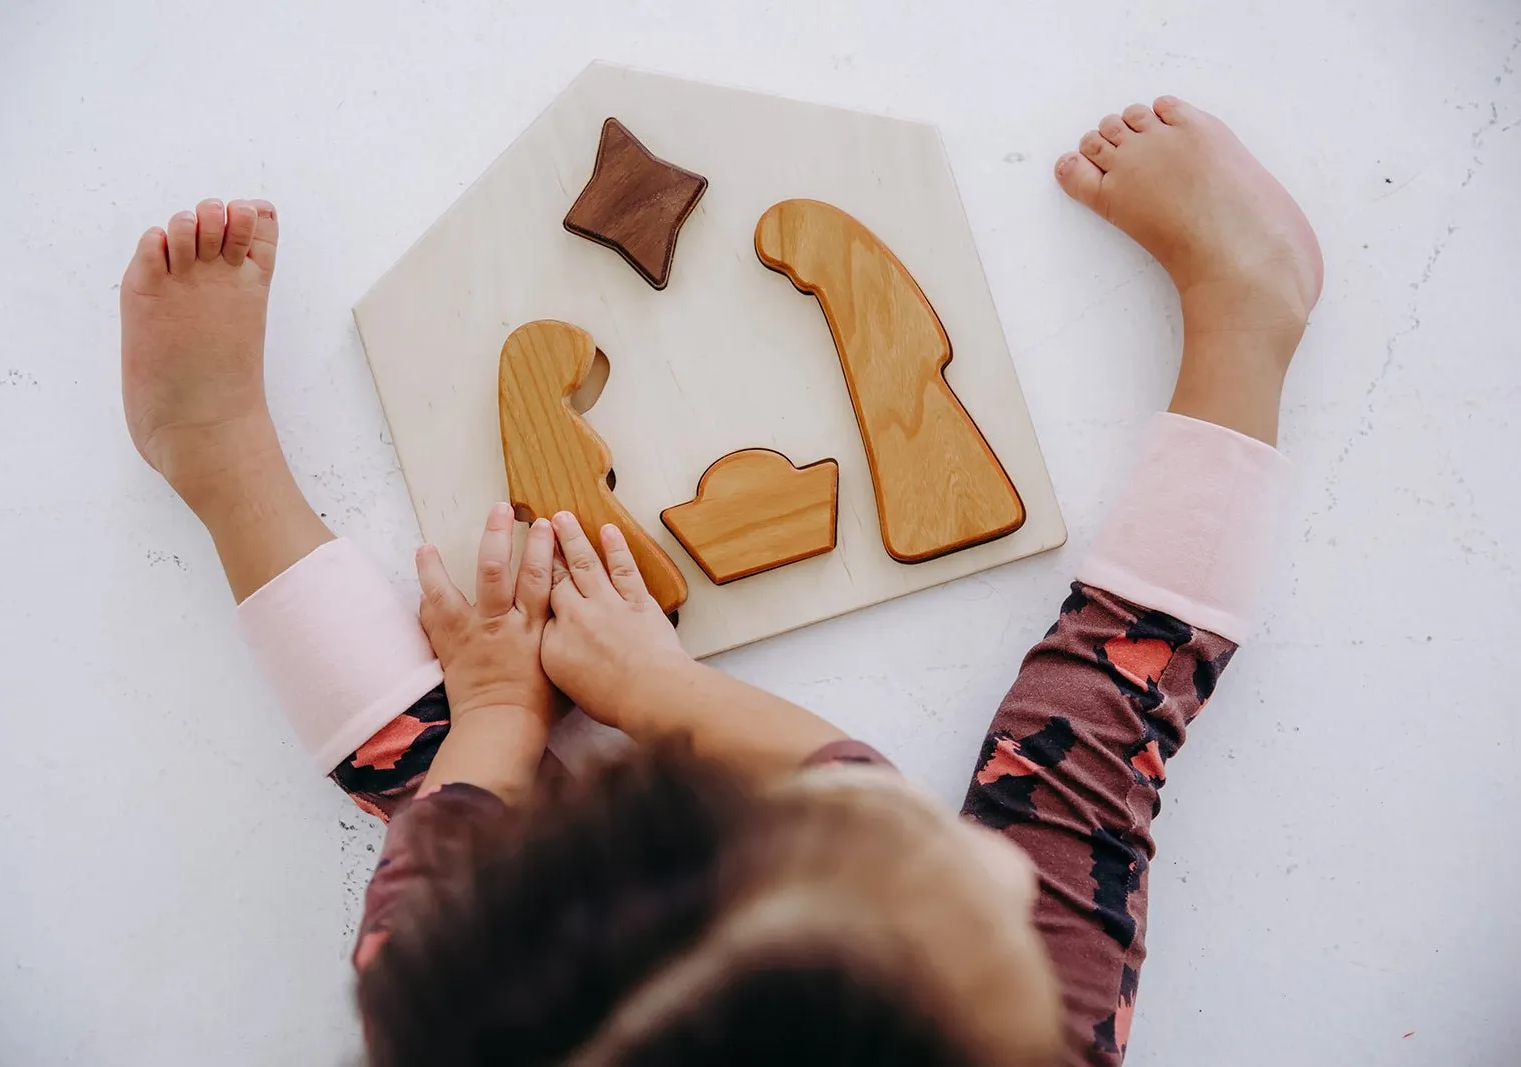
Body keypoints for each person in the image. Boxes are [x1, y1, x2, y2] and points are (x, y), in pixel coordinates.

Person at [119, 95, 1321, 1066]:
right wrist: (663, 690)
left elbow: (432, 896)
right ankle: (1247, 312)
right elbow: (879, 815)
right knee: (1093, 738)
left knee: (428, 772)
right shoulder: (1005, 1025)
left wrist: (494, 713)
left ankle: (215, 455)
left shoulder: (439, 982)